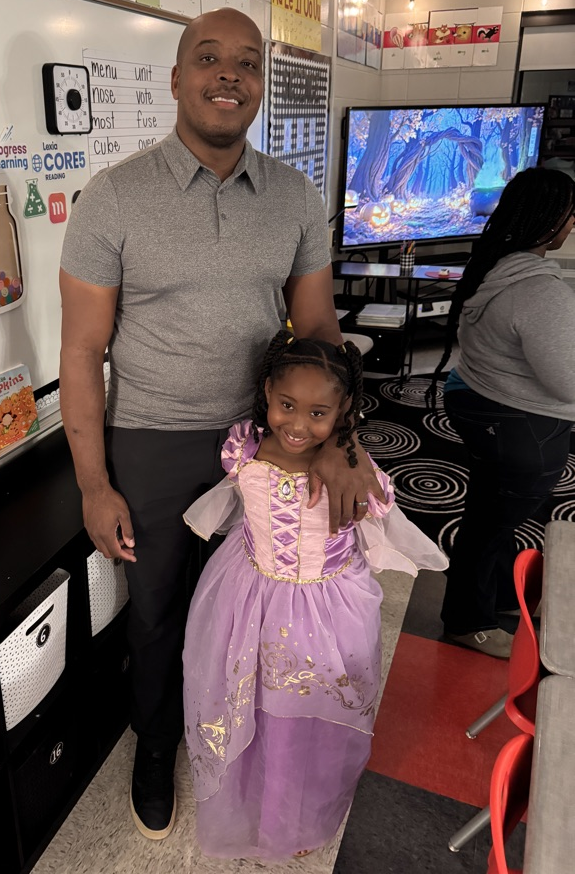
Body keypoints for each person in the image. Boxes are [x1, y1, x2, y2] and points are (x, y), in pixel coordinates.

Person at [58, 8, 384, 840]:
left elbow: (319, 337)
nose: (228, 74)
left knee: (270, 609)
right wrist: (94, 484)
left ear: (259, 88)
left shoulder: (293, 195)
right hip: (156, 441)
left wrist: (341, 443)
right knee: (160, 610)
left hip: (274, 441)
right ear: (176, 78)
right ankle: (158, 746)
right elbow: (81, 351)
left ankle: (246, 746)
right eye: (209, 58)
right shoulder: (114, 197)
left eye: (247, 63)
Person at [182, 332, 447, 860]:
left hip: (326, 612)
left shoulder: (352, 473)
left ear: (343, 409)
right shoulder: (245, 449)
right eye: (286, 406)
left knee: (309, 717)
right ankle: (252, 805)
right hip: (247, 596)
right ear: (266, 393)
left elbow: (381, 525)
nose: (298, 424)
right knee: (253, 707)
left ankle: (303, 819)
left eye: (318, 412)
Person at [427, 166, 575, 659]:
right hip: (518, 425)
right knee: (490, 525)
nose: (573, 224)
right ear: (549, 220)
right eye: (570, 215)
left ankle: (494, 596)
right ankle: (468, 620)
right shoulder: (537, 291)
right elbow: (568, 381)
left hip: (485, 406)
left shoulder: (495, 263)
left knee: (489, 515)